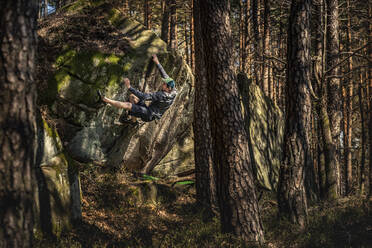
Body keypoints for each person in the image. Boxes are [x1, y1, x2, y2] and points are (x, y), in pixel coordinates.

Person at [98, 54, 177, 125]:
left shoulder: (161, 95)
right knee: (132, 97)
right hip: (151, 111)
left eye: (164, 84)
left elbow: (143, 96)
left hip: (148, 114)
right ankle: (133, 122)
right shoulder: (173, 91)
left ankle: (105, 100)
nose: (162, 84)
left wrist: (129, 87)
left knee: (128, 105)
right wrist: (157, 62)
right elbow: (165, 75)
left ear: (167, 88)